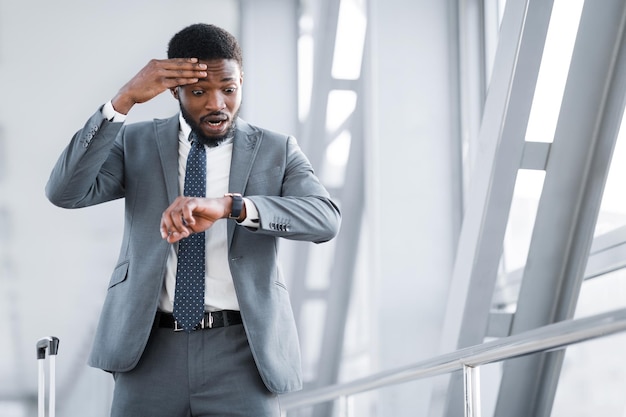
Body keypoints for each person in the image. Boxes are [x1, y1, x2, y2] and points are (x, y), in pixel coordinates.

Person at [45, 23, 341, 417]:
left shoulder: (276, 149)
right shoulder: (136, 144)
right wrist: (122, 102)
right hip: (149, 351)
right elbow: (65, 191)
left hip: (243, 353)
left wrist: (233, 207)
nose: (216, 103)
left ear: (241, 82)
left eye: (229, 89)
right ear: (174, 91)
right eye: (199, 92)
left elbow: (325, 218)